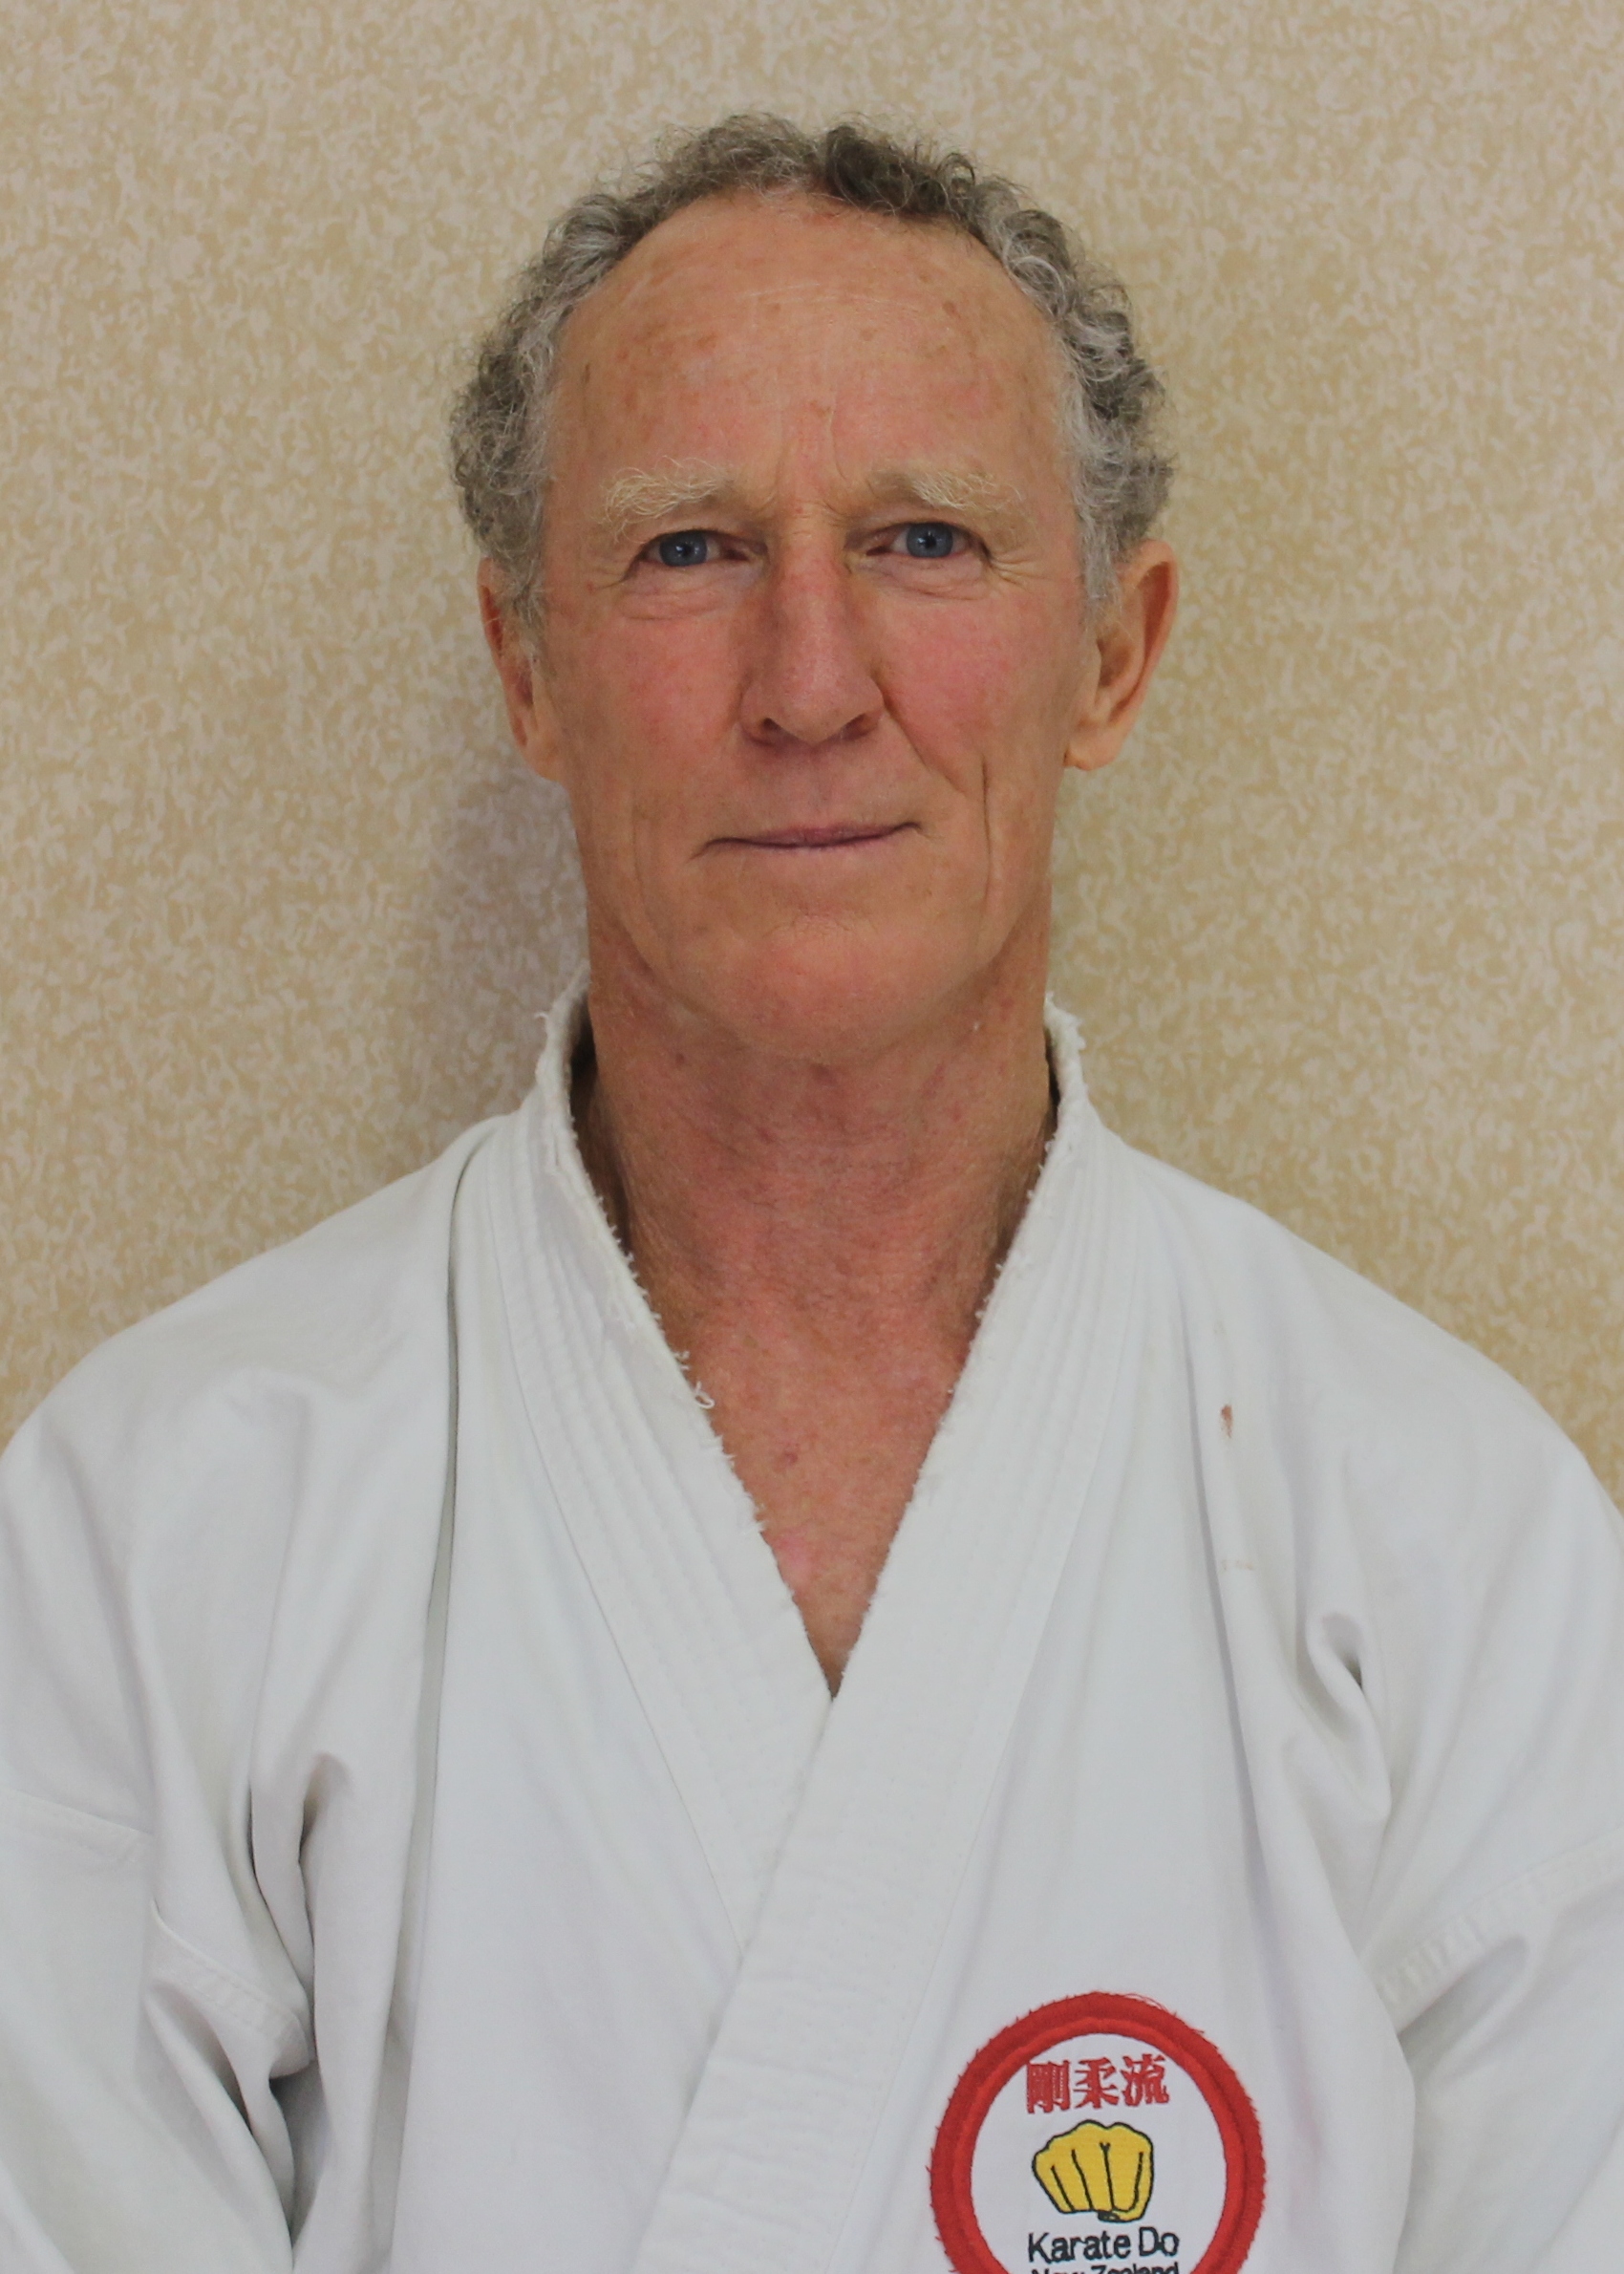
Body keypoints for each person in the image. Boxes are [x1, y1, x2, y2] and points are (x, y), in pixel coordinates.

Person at [1, 114, 1622, 2274]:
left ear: (1114, 653)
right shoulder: (167, 1517)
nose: (809, 683)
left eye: (926, 540)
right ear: (526, 665)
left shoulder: (1450, 1543)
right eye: (686, 550)